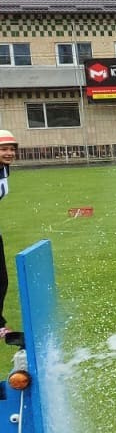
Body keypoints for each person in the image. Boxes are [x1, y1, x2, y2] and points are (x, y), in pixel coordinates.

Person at [0, 130, 21, 347]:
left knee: (1, 281)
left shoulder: (4, 169)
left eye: (12, 148)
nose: (9, 153)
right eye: (4, 149)